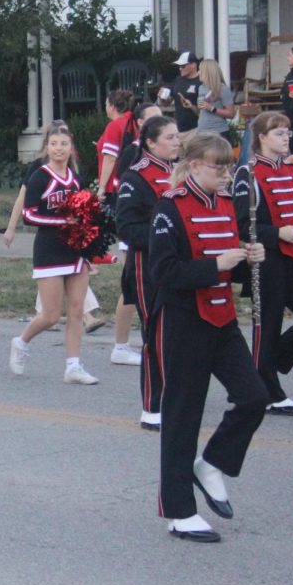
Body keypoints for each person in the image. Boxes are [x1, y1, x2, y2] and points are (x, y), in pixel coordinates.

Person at [149, 132, 268, 543]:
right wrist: (217, 264)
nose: (225, 174)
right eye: (218, 167)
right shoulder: (170, 207)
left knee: (254, 397)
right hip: (183, 321)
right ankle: (179, 512)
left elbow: (224, 263)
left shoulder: (226, 204)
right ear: (195, 165)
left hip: (222, 317)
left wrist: (246, 258)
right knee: (183, 416)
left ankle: (212, 462)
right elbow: (164, 274)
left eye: (229, 166)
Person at [232, 112, 293, 417]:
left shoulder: (289, 169)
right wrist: (276, 232)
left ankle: (272, 360)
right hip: (266, 258)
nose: (286, 138)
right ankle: (267, 388)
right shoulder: (248, 174)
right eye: (279, 133)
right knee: (267, 323)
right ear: (262, 138)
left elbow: (291, 214)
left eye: (288, 132)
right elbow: (241, 225)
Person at [8, 121, 98, 385]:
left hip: (75, 252)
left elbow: (84, 217)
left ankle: (73, 365)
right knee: (49, 315)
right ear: (47, 147)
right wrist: (62, 222)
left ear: (71, 148)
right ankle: (21, 342)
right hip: (49, 250)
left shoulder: (77, 179)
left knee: (77, 310)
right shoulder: (41, 176)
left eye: (64, 144)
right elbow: (29, 214)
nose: (59, 148)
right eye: (54, 144)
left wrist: (90, 250)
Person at [116, 116, 181, 430]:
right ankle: (152, 405)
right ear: (151, 143)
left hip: (180, 266)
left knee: (179, 335)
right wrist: (164, 239)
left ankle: (177, 396)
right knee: (155, 334)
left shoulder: (179, 172)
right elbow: (127, 227)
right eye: (169, 137)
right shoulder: (135, 177)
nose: (176, 141)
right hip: (149, 267)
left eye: (177, 136)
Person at [95, 90, 140, 366]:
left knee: (132, 277)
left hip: (119, 193)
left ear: (110, 105)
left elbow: (110, 159)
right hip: (130, 197)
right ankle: (122, 343)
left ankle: (121, 344)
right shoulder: (132, 125)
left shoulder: (116, 125)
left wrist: (101, 187)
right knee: (133, 277)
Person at [163, 51, 202, 134]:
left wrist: (191, 106)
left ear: (193, 65)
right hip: (179, 129)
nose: (180, 68)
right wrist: (162, 97)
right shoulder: (178, 80)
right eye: (179, 66)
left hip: (195, 129)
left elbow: (203, 111)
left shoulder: (201, 82)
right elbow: (166, 103)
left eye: (183, 66)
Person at [195, 59, 236, 136]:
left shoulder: (222, 88)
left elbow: (231, 114)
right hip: (202, 131)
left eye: (200, 70)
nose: (198, 73)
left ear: (207, 72)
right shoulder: (201, 87)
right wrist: (191, 106)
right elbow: (202, 112)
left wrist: (212, 108)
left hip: (218, 132)